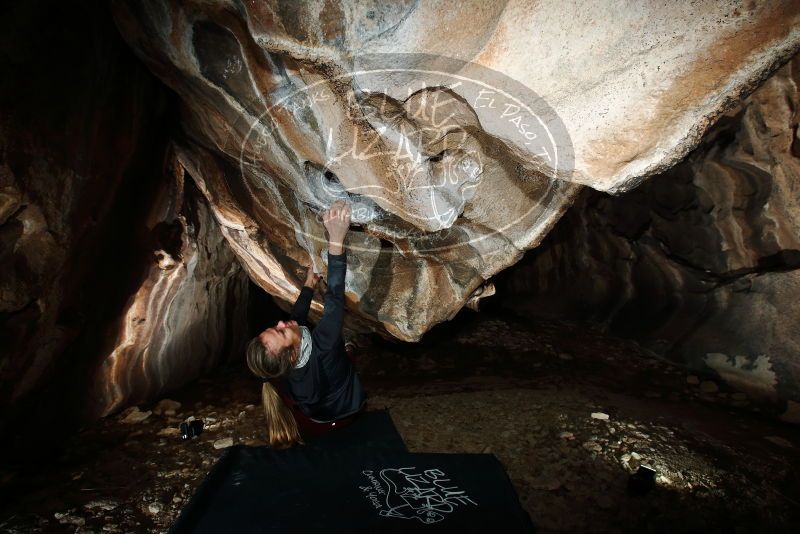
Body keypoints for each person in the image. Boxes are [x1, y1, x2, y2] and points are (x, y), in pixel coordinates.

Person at [245, 200, 365, 448]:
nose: (280, 323)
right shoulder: (324, 345)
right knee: (347, 353)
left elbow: (296, 318)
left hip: (313, 418)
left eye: (274, 328)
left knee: (312, 338)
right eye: (280, 332)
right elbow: (334, 296)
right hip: (343, 415)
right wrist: (336, 239)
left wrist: (309, 284)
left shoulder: (282, 365)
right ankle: (351, 351)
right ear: (291, 355)